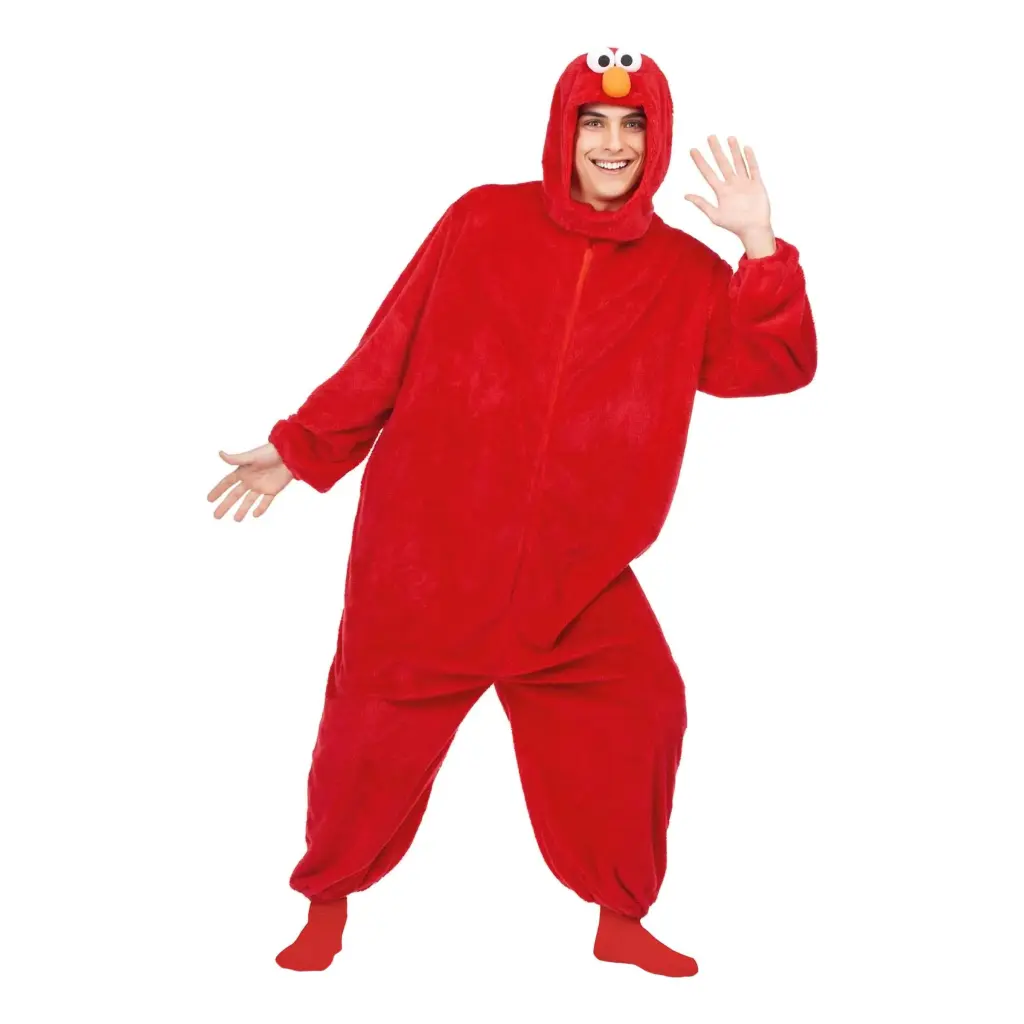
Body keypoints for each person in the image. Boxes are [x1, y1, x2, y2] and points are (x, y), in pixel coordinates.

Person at [207, 46, 817, 978]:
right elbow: (389, 346)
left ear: (656, 141)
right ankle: (327, 901)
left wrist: (760, 248)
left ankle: (619, 917)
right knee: (365, 743)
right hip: (427, 562)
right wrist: (301, 446)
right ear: (562, 131)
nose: (612, 143)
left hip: (575, 581)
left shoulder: (686, 273)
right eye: (593, 121)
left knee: (644, 709)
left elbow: (775, 365)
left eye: (633, 125)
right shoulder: (481, 219)